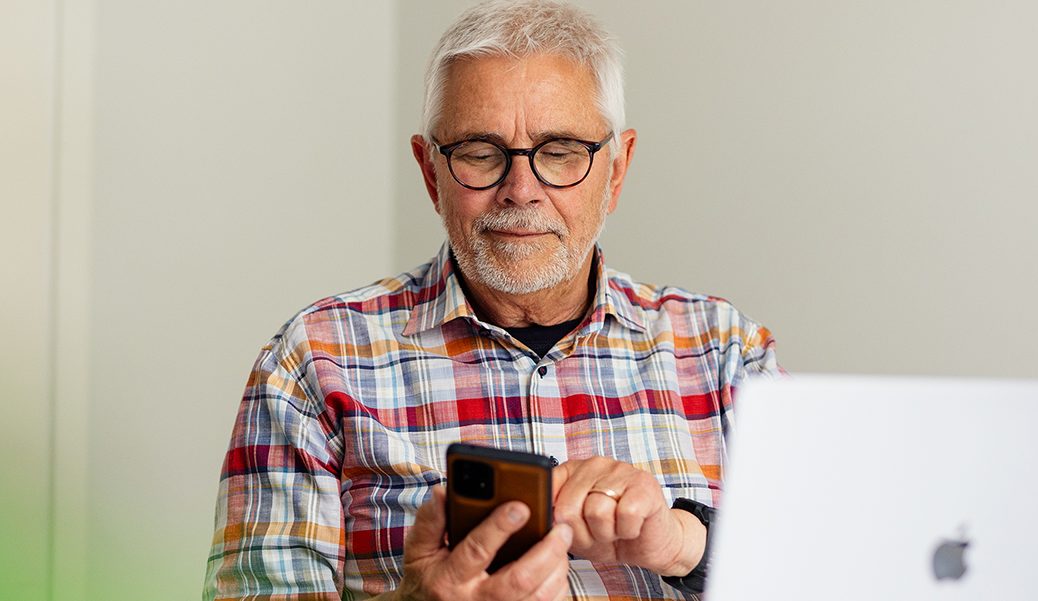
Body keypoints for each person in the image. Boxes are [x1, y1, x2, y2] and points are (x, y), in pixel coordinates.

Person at [203, 1, 778, 599]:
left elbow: (839, 570)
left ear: (617, 169)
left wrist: (689, 545)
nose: (521, 190)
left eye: (560, 152)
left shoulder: (728, 354)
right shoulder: (312, 363)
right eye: (480, 152)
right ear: (430, 173)